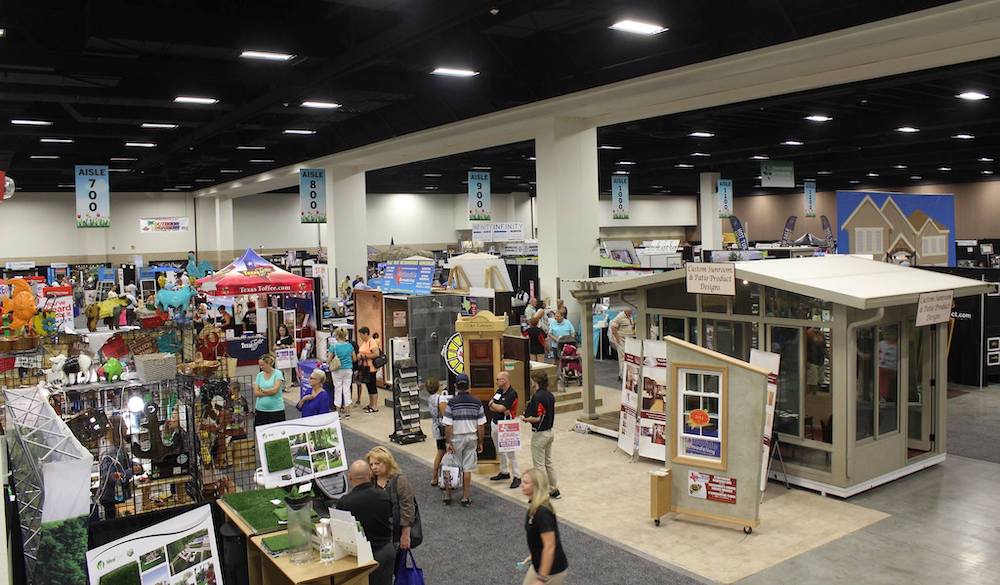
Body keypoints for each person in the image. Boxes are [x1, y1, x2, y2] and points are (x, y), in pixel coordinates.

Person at [337, 461, 395, 585]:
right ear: (370, 475)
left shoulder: (345, 502)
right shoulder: (384, 495)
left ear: (350, 478)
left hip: (365, 558)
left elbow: (340, 532)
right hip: (386, 550)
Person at [442, 374, 486, 506]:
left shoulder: (452, 403)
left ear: (455, 386)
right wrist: (480, 442)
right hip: (471, 437)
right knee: (467, 468)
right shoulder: (477, 402)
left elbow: (448, 425)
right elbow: (481, 425)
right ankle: (465, 497)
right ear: (469, 385)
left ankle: (448, 495)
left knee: (449, 465)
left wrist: (448, 442)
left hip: (456, 438)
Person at [519, 468, 569, 585]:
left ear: (536, 486)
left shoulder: (542, 512)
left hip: (552, 571)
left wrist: (542, 578)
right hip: (538, 564)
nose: (522, 485)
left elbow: (550, 546)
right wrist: (534, 554)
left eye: (526, 483)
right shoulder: (534, 506)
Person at [367, 446, 416, 551]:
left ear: (387, 462)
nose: (374, 467)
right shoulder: (370, 481)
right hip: (377, 534)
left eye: (377, 463)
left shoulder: (400, 481)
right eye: (371, 464)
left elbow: (407, 509)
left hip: (396, 534)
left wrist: (405, 535)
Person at [522, 371, 559, 499]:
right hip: (550, 431)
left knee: (539, 465)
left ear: (536, 381)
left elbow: (537, 418)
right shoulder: (550, 395)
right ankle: (554, 489)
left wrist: (526, 419)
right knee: (548, 462)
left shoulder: (537, 397)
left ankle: (542, 492)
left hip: (540, 434)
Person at [97, 414, 137, 520]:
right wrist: (131, 471)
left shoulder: (118, 446)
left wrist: (136, 466)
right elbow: (109, 476)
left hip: (117, 496)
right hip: (111, 498)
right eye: (124, 425)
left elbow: (124, 462)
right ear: (118, 429)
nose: (127, 428)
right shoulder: (110, 450)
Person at [488, 371, 521, 488]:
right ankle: (504, 471)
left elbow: (501, 408)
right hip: (495, 423)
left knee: (511, 452)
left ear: (505, 380)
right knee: (499, 450)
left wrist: (495, 405)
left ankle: (517, 476)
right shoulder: (499, 391)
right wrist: (496, 407)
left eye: (498, 379)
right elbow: (491, 406)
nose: (496, 381)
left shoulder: (512, 393)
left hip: (507, 426)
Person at [425, 378, 448, 487]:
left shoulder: (430, 398)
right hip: (442, 428)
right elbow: (445, 414)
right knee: (442, 452)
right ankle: (437, 476)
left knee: (440, 451)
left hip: (436, 426)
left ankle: (435, 476)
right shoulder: (441, 398)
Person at [328, 327, 356, 418]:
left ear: (337, 335)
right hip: (348, 370)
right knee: (347, 390)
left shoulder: (333, 347)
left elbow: (328, 359)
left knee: (338, 390)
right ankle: (348, 413)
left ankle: (338, 413)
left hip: (337, 370)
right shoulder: (350, 346)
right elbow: (354, 358)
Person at [253, 353, 286, 426]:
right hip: (260, 409)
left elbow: (275, 391)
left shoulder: (278, 373)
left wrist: (262, 390)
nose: (261, 367)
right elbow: (256, 393)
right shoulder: (259, 375)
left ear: (269, 364)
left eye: (263, 365)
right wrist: (269, 392)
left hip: (276, 410)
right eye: (260, 365)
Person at [357, 326, 382, 413]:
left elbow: (376, 354)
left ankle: (374, 406)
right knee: (368, 386)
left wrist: (365, 356)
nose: (360, 337)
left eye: (361, 335)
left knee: (372, 386)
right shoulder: (365, 342)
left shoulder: (372, 342)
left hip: (371, 368)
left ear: (365, 334)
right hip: (365, 367)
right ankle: (371, 404)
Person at [609, 307, 635, 381]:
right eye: (630, 310)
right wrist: (618, 340)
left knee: (628, 359)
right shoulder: (620, 316)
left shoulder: (630, 316)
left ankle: (625, 375)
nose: (631, 312)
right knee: (623, 359)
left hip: (629, 341)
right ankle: (622, 376)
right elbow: (613, 328)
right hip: (622, 341)